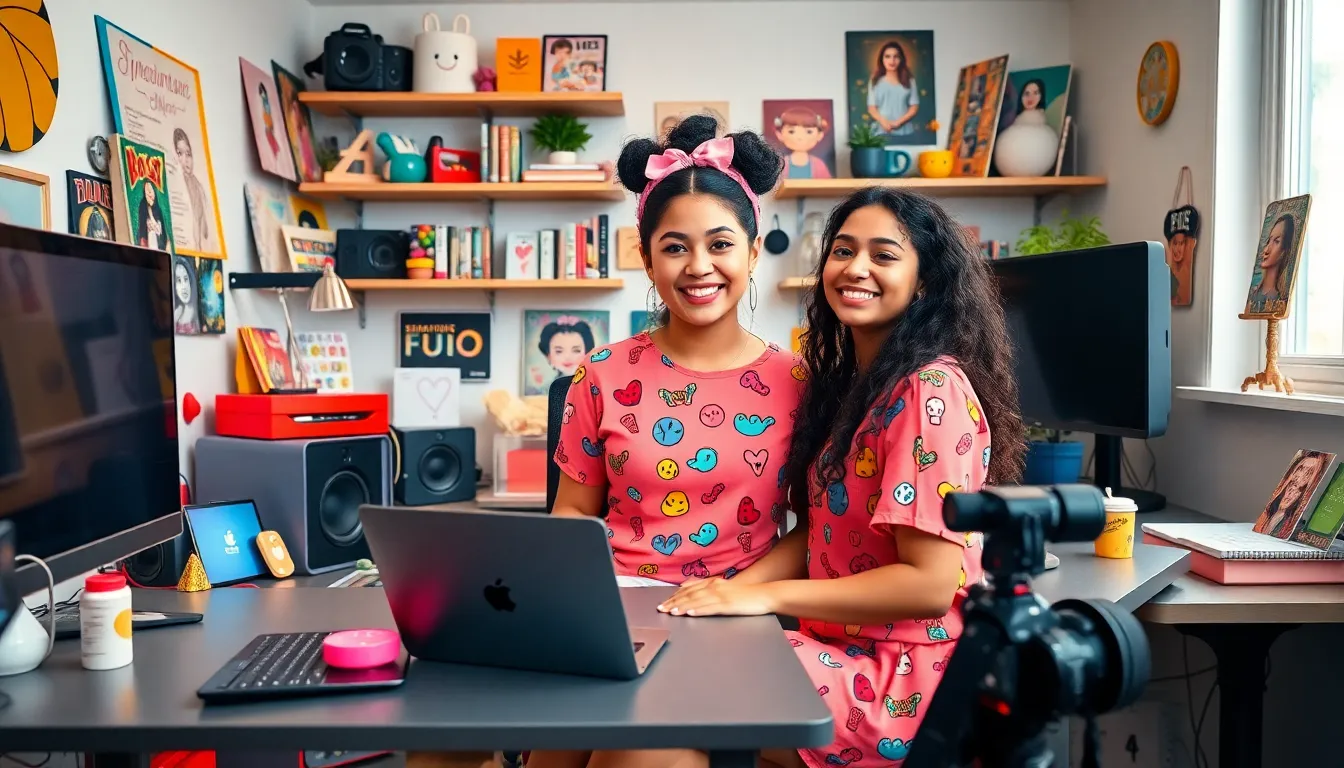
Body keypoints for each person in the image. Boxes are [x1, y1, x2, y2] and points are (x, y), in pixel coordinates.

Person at [597, 187, 1026, 768]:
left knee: (653, 701)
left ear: (924, 281)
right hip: (836, 648)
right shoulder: (862, 389)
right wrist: (734, 592)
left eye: (884, 255)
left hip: (896, 681)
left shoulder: (930, 391)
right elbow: (821, 531)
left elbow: (928, 587)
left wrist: (760, 595)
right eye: (843, 250)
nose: (856, 268)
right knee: (642, 701)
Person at [533, 114, 795, 768]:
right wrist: (578, 603)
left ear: (754, 252)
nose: (698, 267)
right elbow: (572, 512)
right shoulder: (600, 372)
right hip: (608, 621)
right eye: (675, 247)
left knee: (636, 759)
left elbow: (816, 530)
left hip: (736, 625)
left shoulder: (800, 382)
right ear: (646, 258)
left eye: (720, 244)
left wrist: (738, 596)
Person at [1254, 451, 1326, 538]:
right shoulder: (1269, 514)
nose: (1299, 476)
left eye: (1308, 473)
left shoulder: (1291, 521)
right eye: (1300, 469)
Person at [866, 41, 920, 138]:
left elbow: (914, 107)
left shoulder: (910, 80)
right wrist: (884, 123)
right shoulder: (875, 80)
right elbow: (872, 108)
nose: (892, 60)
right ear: (882, 59)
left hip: (905, 132)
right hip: (880, 132)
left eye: (896, 56)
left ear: (901, 59)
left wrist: (898, 122)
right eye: (887, 56)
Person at [1248, 213, 1296, 315]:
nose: (1266, 250)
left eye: (1276, 241)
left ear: (1285, 250)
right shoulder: (1254, 296)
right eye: (1268, 241)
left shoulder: (1279, 299)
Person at [173, 128, 209, 252]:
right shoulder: (177, 185)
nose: (185, 159)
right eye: (179, 153)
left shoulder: (198, 187)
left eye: (188, 154)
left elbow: (205, 229)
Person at [773, 107, 833, 180]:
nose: (800, 137)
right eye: (791, 132)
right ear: (780, 135)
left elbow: (826, 185)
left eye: (809, 132)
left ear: (819, 135)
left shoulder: (818, 165)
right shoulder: (781, 164)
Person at [136, 180, 168, 252]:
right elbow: (141, 227)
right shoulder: (143, 206)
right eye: (146, 192)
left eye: (150, 191)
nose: (149, 194)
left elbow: (164, 233)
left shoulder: (159, 209)